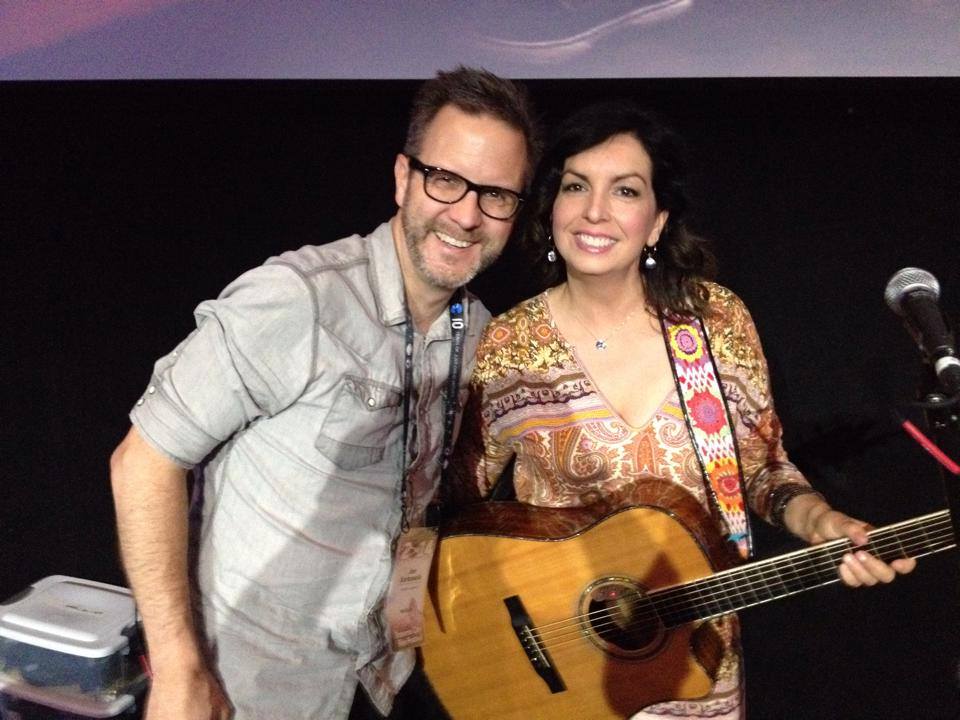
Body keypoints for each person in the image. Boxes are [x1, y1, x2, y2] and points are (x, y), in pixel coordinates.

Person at [448, 100, 915, 719]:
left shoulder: (714, 322)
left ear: (658, 220)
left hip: (697, 673)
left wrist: (823, 524)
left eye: (626, 191)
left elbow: (764, 470)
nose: (595, 211)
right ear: (552, 207)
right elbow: (458, 510)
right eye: (576, 186)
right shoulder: (509, 344)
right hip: (558, 681)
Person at [108, 67, 538, 720]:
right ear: (403, 178)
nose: (468, 215)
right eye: (446, 180)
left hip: (375, 682)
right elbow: (143, 462)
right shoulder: (299, 299)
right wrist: (179, 670)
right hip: (247, 687)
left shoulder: (478, 333)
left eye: (497, 195)